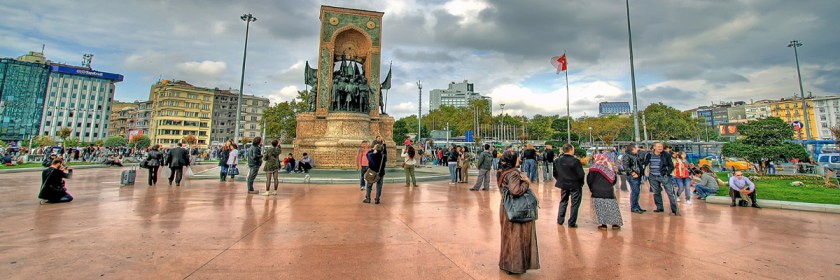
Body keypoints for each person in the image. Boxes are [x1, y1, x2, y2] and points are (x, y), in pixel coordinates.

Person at [497, 150, 540, 275]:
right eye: (517, 158)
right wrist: (526, 182)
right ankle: (514, 266)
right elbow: (515, 190)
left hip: (506, 207)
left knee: (507, 237)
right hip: (517, 208)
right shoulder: (513, 173)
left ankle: (506, 263)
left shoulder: (501, 172)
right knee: (516, 237)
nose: (519, 160)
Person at [642, 142, 679, 215]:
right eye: (658, 146)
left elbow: (671, 165)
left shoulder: (666, 155)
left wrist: (667, 173)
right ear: (654, 147)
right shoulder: (649, 155)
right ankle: (659, 207)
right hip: (652, 176)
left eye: (661, 146)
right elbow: (645, 163)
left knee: (670, 192)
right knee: (656, 192)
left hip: (664, 176)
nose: (660, 148)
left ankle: (674, 209)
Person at [588, 154, 623, 230]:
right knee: (611, 207)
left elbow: (589, 180)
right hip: (609, 191)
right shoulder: (610, 168)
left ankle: (603, 225)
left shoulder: (593, 168)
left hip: (597, 190)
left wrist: (591, 188)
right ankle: (615, 224)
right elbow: (614, 179)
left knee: (600, 207)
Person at [554, 144, 585, 227]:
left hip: (564, 184)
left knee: (563, 201)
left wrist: (560, 180)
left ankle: (560, 220)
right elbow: (581, 174)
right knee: (575, 203)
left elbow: (555, 173)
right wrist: (581, 183)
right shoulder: (575, 161)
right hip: (575, 184)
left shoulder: (557, 160)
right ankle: (572, 222)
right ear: (571, 150)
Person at [621, 143, 646, 214]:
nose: (638, 149)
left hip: (637, 175)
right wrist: (632, 173)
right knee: (635, 191)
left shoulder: (634, 155)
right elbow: (625, 166)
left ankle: (637, 206)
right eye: (636, 148)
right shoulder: (627, 156)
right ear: (633, 149)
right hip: (633, 176)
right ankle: (634, 207)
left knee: (637, 191)